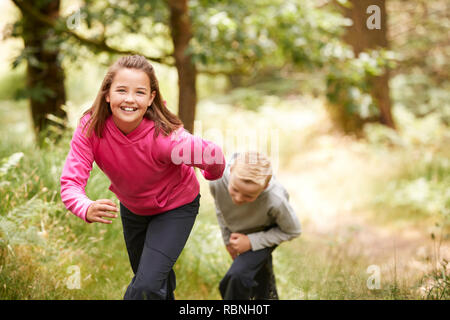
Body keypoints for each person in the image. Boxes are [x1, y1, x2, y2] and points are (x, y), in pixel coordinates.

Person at [60, 55, 225, 300]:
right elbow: (71, 182)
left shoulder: (167, 139)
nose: (129, 99)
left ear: (151, 98)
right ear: (107, 94)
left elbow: (214, 156)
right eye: (121, 90)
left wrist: (211, 174)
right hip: (134, 209)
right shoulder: (92, 128)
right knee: (154, 284)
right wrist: (85, 206)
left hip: (175, 207)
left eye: (139, 92)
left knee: (145, 287)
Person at [209, 152, 301, 299]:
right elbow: (221, 208)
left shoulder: (275, 199)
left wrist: (251, 242)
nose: (238, 199)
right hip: (239, 233)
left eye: (248, 196)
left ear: (264, 187)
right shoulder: (217, 181)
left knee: (236, 278)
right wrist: (227, 239)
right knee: (260, 281)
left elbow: (293, 230)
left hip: (265, 231)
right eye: (235, 190)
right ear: (231, 171)